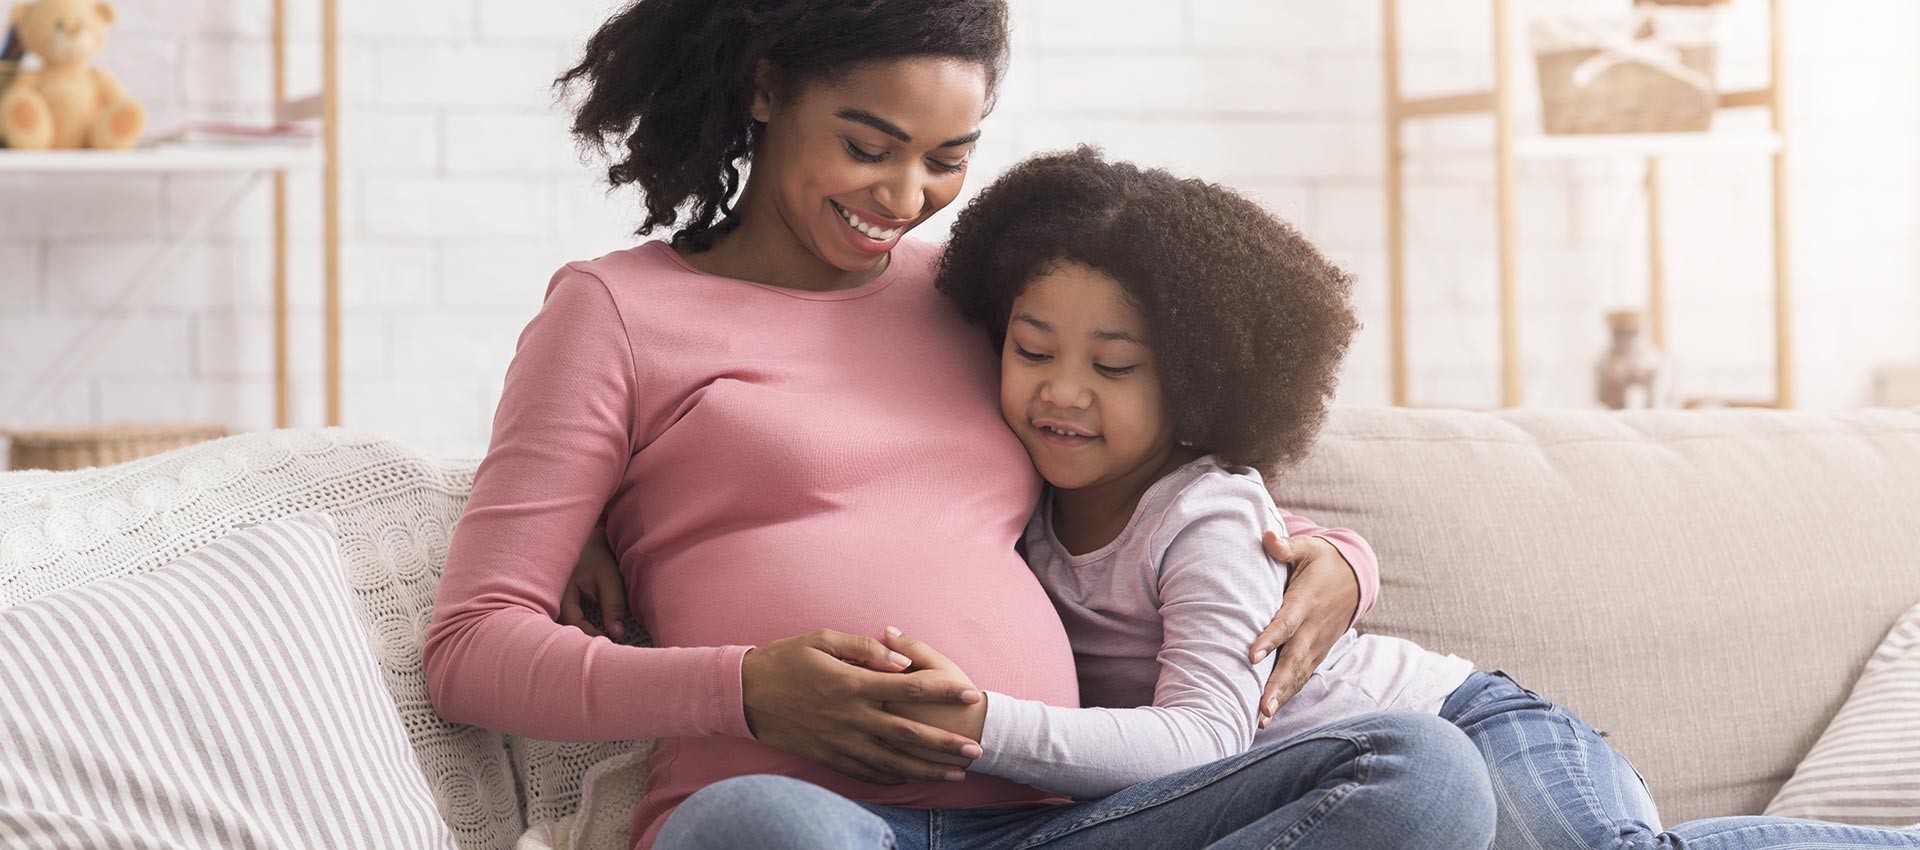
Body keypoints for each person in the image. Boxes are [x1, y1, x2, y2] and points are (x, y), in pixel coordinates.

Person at [423, 1, 1498, 849]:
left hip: (1066, 819)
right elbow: (472, 649)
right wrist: (745, 688)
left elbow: (1143, 481)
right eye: (869, 144)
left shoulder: (975, 299)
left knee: (1422, 771)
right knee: (750, 828)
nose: (904, 194)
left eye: (946, 157)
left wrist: (1336, 557)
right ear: (764, 89)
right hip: (812, 820)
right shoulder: (614, 312)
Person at [826, 145, 1920, 850]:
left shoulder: (1200, 511)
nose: (1062, 393)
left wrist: (983, 727)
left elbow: (1202, 737)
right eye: (1032, 349)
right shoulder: (1016, 489)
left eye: (1114, 368)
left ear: (1199, 380)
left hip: (1467, 727)